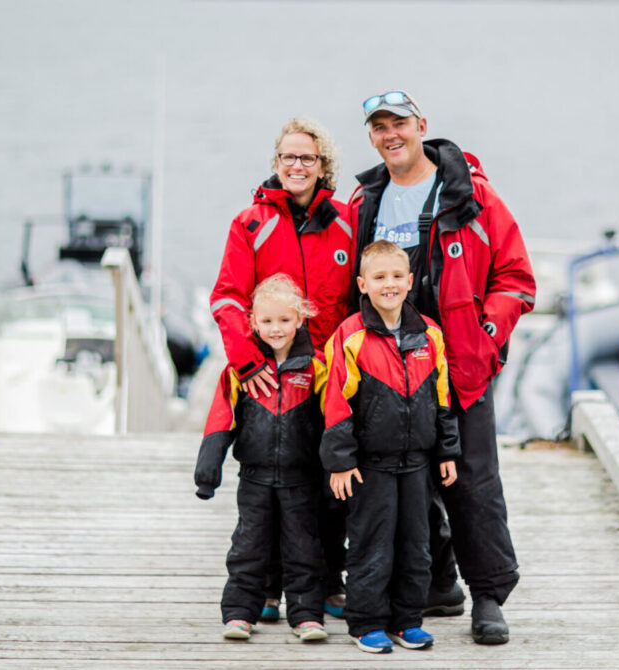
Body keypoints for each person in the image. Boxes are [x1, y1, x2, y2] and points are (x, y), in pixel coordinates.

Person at [348, 90, 536, 645]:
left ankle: (488, 595)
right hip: (389, 366)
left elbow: (516, 278)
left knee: (472, 481)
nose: (391, 135)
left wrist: (486, 335)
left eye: (399, 123)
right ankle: (437, 583)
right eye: (379, 127)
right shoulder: (365, 200)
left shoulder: (471, 195)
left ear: (420, 125)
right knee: (405, 475)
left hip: (459, 363)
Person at [209, 117, 353, 619]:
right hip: (268, 378)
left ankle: (328, 580)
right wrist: (246, 361)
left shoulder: (345, 223)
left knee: (329, 482)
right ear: (276, 163)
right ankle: (267, 587)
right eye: (289, 157)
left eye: (307, 158)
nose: (297, 165)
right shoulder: (250, 222)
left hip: (330, 377)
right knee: (270, 485)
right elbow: (227, 298)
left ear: (322, 166)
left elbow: (359, 299)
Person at [321, 240, 461, 653]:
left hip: (417, 464)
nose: (390, 284)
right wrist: (341, 462)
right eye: (380, 277)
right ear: (363, 284)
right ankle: (366, 623)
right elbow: (335, 404)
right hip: (370, 466)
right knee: (371, 546)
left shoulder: (430, 335)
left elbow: (442, 399)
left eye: (397, 276)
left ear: (410, 281)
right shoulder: (350, 336)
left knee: (415, 546)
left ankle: (407, 620)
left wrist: (447, 452)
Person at [195, 274, 329, 642]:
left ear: (300, 319)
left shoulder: (316, 367)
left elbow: (334, 419)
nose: (275, 328)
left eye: (284, 320)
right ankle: (240, 613)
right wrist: (208, 472)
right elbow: (221, 418)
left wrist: (337, 467)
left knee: (303, 547)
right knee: (249, 545)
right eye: (266, 321)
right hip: (253, 478)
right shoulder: (241, 370)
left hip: (302, 479)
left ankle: (306, 616)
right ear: (253, 322)